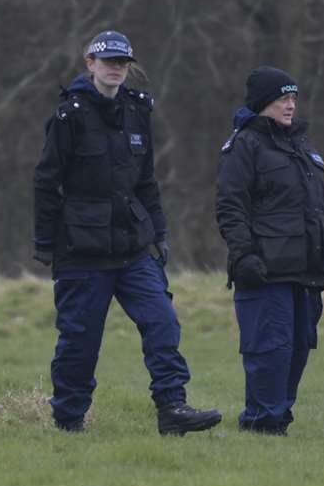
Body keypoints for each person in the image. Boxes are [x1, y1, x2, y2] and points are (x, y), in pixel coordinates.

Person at [32, 29, 221, 435]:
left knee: (163, 322)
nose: (115, 68)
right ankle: (68, 419)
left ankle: (173, 408)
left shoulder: (138, 112)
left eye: (122, 62)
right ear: (90, 63)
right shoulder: (69, 115)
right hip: (82, 251)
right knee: (80, 344)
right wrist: (46, 243)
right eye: (108, 61)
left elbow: (146, 180)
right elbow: (47, 182)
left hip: (134, 247)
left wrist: (159, 232)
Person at [215, 67, 324, 435]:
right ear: (262, 103)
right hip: (266, 270)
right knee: (270, 349)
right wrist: (243, 256)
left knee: (298, 349)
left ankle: (279, 417)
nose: (291, 105)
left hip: (306, 270)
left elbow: (319, 207)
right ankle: (261, 422)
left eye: (293, 98)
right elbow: (231, 207)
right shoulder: (244, 146)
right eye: (282, 98)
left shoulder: (302, 145)